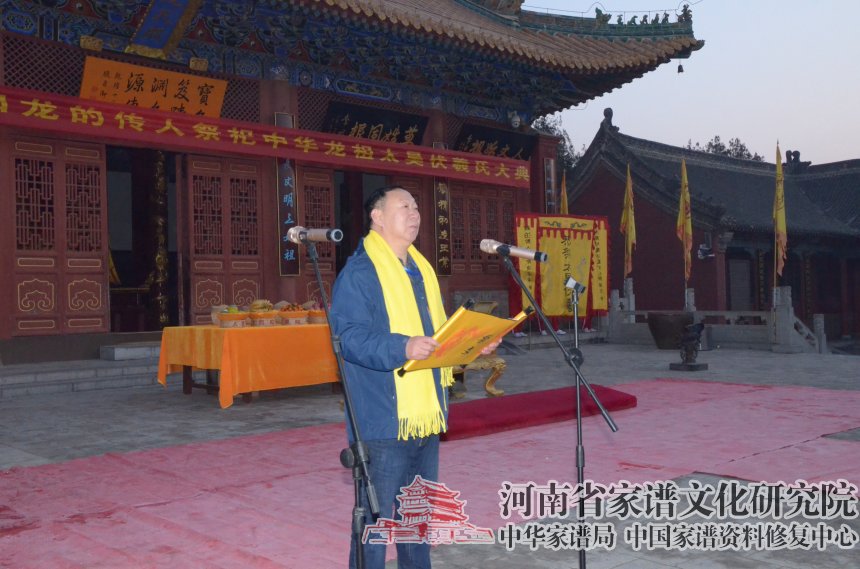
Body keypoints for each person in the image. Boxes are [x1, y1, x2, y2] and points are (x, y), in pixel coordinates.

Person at [330, 185, 499, 568]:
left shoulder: (420, 270)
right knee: (375, 522)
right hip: (383, 418)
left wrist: (471, 347)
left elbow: (436, 342)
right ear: (377, 216)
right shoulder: (360, 273)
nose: (415, 213)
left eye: (417, 206)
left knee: (417, 519)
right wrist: (402, 347)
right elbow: (349, 339)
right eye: (403, 206)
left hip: (425, 416)